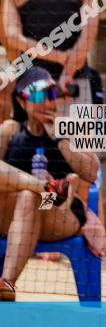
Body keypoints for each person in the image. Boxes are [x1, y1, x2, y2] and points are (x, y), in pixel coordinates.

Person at [0, 67, 100, 301]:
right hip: (15, 214)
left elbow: (92, 173)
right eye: (37, 96)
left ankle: (7, 282)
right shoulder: (10, 130)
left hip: (58, 211)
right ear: (23, 103)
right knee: (28, 195)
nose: (46, 102)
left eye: (51, 94)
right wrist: (38, 185)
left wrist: (60, 139)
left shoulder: (69, 128)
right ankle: (38, 186)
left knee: (30, 197)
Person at [3, 0, 104, 122]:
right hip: (73, 82)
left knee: (34, 144)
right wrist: (67, 72)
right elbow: (88, 37)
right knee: (77, 145)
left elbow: (13, 37)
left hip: (33, 84)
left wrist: (57, 56)